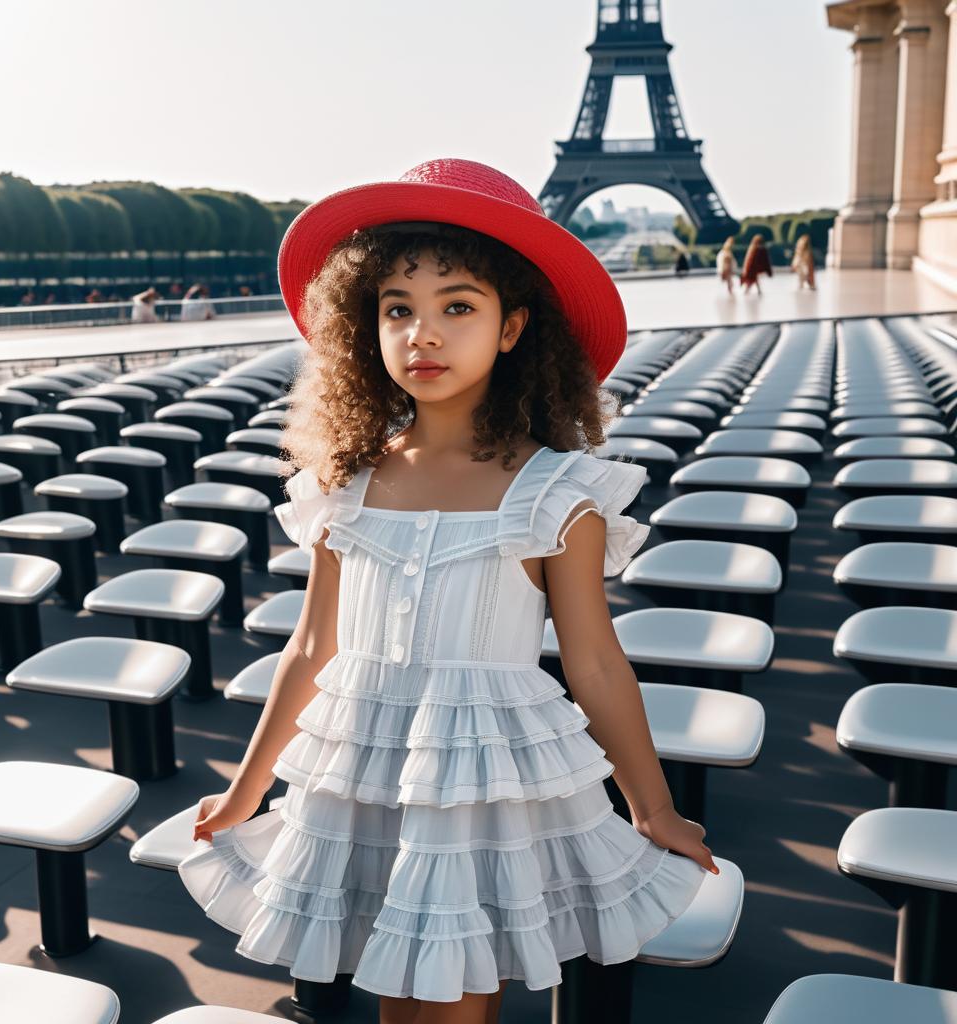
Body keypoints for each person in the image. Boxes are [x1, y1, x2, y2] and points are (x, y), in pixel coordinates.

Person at [177, 158, 716, 1021]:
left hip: (479, 778)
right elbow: (314, 647)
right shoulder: (344, 481)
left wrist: (654, 808)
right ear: (369, 329)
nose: (423, 334)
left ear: (513, 330)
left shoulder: (553, 492)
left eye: (456, 307)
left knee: (462, 998)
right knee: (396, 993)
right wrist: (249, 788)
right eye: (399, 310)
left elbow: (596, 664)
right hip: (363, 763)